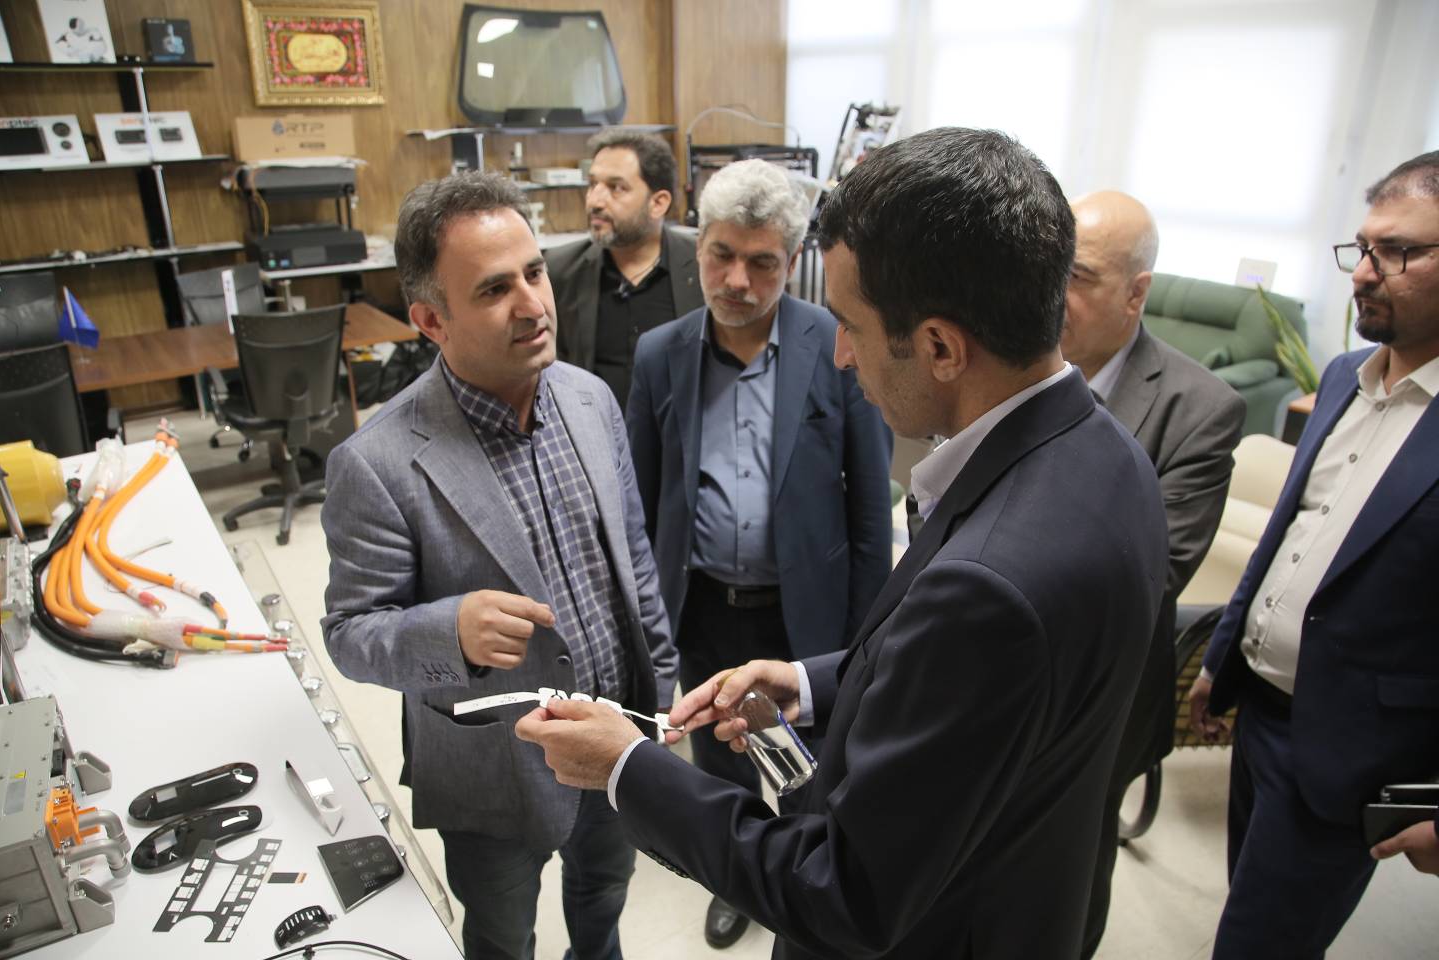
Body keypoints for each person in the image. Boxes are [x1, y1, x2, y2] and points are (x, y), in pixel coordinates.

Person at [514, 127, 1169, 959]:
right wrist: (810, 681)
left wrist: (626, 768)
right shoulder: (1111, 457)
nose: (840, 352)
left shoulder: (987, 587)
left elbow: (841, 891)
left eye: (852, 325)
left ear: (939, 346)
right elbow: (996, 699)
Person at [320, 171, 677, 960]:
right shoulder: (377, 462)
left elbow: (634, 561)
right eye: (493, 289)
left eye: (534, 273)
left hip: (616, 732)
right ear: (430, 320)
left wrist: (660, 688)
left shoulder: (590, 400)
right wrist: (448, 631)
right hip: (490, 767)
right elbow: (349, 634)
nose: (532, 305)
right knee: (501, 935)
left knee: (603, 896)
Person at [625, 159, 894, 948]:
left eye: (762, 262)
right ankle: (734, 882)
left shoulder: (835, 345)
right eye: (721, 255)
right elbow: (641, 502)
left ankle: (813, 886)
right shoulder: (660, 354)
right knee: (724, 759)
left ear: (794, 259)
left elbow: (869, 508)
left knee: (812, 766)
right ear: (698, 247)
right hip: (705, 610)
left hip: (806, 615)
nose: (738, 280)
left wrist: (866, 637)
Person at [1187, 150, 1439, 958]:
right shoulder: (1340, 377)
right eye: (1362, 248)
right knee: (1246, 910)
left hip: (1353, 746)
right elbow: (1288, 535)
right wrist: (1222, 657)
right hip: (1260, 711)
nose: (1364, 273)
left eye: (1398, 252)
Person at [1062, 191, 1245, 959]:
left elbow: (1155, 568)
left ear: (1136, 293)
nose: (1053, 293)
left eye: (1078, 276)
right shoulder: (1011, 360)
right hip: (991, 675)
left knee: (1071, 878)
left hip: (1100, 694)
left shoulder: (1200, 407)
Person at [547, 130, 704, 409]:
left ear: (658, 203)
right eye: (592, 184)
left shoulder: (703, 267)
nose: (595, 201)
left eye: (616, 187)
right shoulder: (560, 272)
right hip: (595, 431)